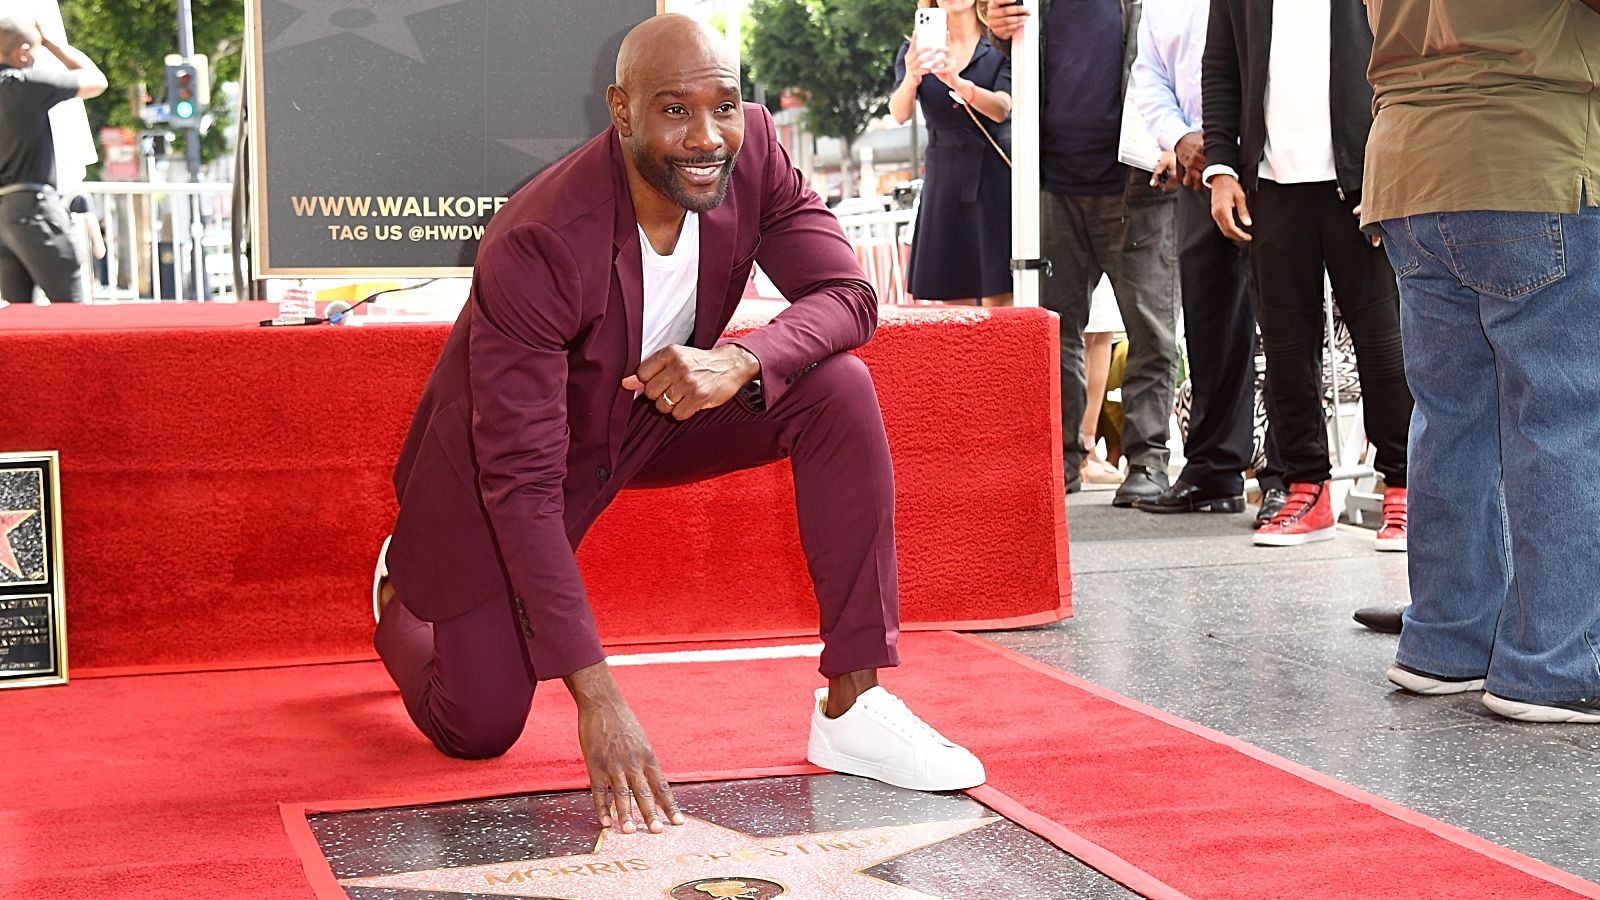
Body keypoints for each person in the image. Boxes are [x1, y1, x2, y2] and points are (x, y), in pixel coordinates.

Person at [371, 14, 986, 835]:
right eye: (673, 110)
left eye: (723, 105)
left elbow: (849, 296)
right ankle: (394, 597)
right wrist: (598, 699)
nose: (706, 136)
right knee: (477, 727)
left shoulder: (754, 150)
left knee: (837, 388)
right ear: (620, 111)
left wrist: (740, 360)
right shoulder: (537, 238)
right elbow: (518, 482)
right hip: (515, 466)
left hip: (661, 409)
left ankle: (854, 704)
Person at [1365, 0, 1600, 722]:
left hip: (1409, 164)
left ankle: (1447, 641)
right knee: (1559, 416)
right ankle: (1558, 664)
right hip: (1527, 151)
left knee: (1451, 414)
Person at [1201, 0, 1412, 549]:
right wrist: (1221, 170)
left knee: (1386, 347)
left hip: (1364, 183)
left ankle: (1405, 490)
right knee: (1287, 350)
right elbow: (1220, 69)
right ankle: (1306, 488)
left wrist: (1392, 172)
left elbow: (1403, 61)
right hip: (1270, 187)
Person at [986, 0, 1181, 505]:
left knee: (1151, 330)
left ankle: (1148, 460)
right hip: (1052, 186)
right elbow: (1009, 63)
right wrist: (999, 32)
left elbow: (1187, 58)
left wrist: (1176, 136)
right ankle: (1062, 459)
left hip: (1137, 184)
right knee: (1053, 332)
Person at [1126, 0, 1287, 524]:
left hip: (1273, 156)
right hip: (1197, 167)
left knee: (1286, 320)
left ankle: (1289, 475)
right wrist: (1179, 137)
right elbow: (1147, 73)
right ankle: (1214, 470)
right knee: (1210, 322)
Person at [891, 0, 1013, 306]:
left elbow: (1001, 107)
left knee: (1001, 298)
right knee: (954, 305)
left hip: (994, 175)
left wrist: (957, 82)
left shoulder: (1001, 44)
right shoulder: (915, 49)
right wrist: (911, 76)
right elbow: (898, 112)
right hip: (944, 178)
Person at [0, 17, 105, 303]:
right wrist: (53, 44)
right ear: (22, 52)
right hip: (34, 208)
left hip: (3, 216)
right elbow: (96, 81)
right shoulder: (23, 85)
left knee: (19, 319)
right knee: (72, 309)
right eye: (34, 51)